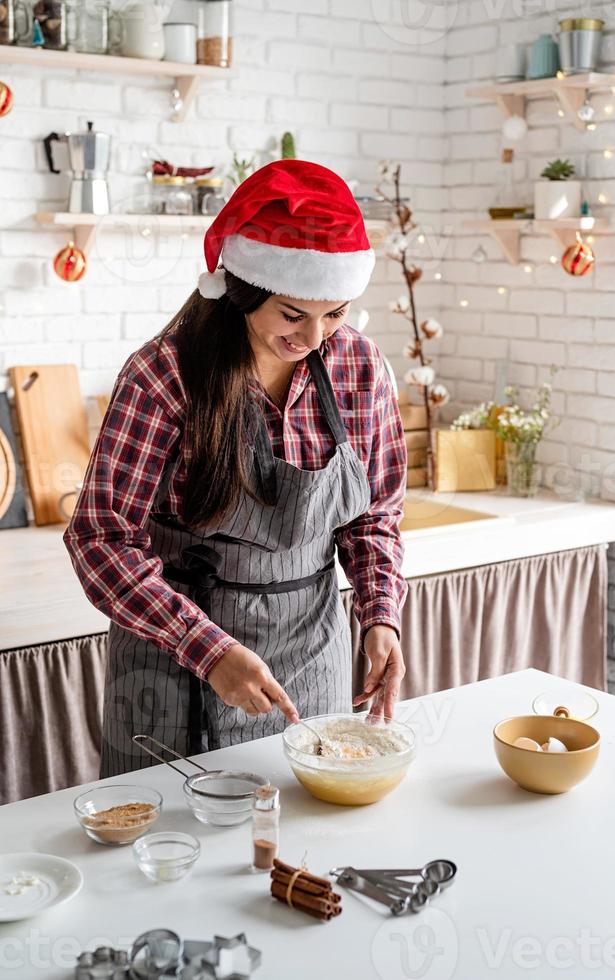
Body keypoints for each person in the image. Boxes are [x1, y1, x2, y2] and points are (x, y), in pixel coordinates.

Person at [64, 158, 408, 777]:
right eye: (291, 313)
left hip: (310, 650)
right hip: (171, 662)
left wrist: (380, 615)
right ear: (244, 288)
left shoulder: (358, 367)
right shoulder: (164, 375)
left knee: (296, 838)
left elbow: (373, 516)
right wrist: (209, 650)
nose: (315, 336)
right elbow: (100, 540)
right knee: (165, 845)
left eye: (335, 313)